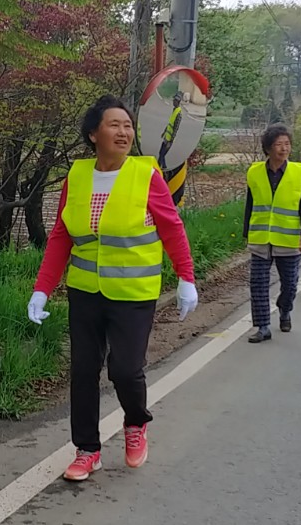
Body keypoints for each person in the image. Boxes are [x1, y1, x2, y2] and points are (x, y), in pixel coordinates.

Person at [28, 94, 198, 483]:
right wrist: (42, 288)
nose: (123, 132)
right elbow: (60, 236)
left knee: (125, 369)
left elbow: (172, 228)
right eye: (113, 125)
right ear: (93, 134)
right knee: (83, 371)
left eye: (127, 126)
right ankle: (87, 450)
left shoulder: (145, 174)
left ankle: (136, 422)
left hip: (134, 295)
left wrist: (186, 277)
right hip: (85, 292)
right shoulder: (77, 176)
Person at [242, 123, 301, 342]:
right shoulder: (254, 172)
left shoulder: (299, 172)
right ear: (268, 148)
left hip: (288, 238)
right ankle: (263, 326)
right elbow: (250, 204)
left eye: (287, 144)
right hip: (261, 238)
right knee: (259, 284)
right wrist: (246, 233)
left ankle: (284, 308)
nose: (284, 149)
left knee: (290, 284)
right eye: (279, 145)